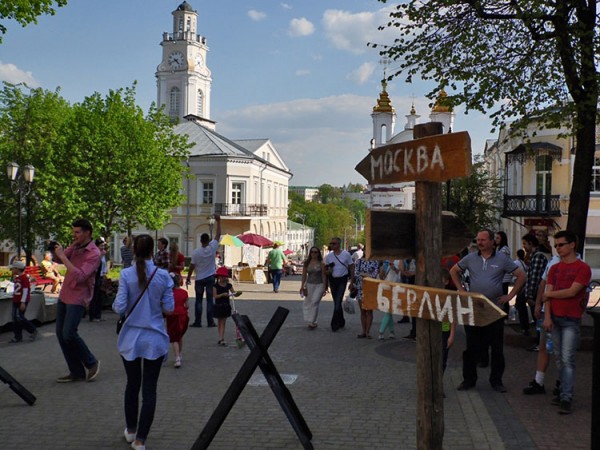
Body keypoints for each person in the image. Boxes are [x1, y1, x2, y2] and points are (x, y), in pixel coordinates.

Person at [112, 234, 174, 449]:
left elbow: (119, 307)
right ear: (152, 252)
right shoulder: (164, 276)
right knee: (149, 390)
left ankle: (130, 430)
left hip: (130, 338)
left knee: (132, 385)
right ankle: (141, 440)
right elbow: (169, 308)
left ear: (135, 251)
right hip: (154, 338)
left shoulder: (126, 274)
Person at [450, 229, 526, 393]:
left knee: (497, 347)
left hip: (494, 310)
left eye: (483, 240)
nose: (480, 242)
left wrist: (510, 295)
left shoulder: (502, 259)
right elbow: (453, 271)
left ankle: (496, 381)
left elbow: (521, 275)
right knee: (471, 347)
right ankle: (469, 380)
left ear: (492, 241)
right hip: (474, 309)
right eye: (478, 240)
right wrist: (460, 288)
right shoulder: (470, 258)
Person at [542, 230, 591, 415]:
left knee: (567, 358)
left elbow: (573, 291)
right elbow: (548, 293)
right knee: (559, 358)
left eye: (561, 244)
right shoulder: (554, 268)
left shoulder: (583, 268)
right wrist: (547, 316)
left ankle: (566, 396)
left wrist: (549, 295)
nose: (558, 248)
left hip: (571, 319)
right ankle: (562, 391)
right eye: (556, 246)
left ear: (572, 245)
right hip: (554, 317)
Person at [52, 218, 102, 383]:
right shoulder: (75, 246)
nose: (74, 235)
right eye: (73, 232)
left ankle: (91, 362)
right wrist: (57, 250)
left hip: (79, 296)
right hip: (65, 293)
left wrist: (64, 258)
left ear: (87, 232)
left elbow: (80, 276)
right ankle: (76, 371)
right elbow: (59, 259)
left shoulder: (94, 253)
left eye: (77, 232)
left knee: (69, 333)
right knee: (60, 334)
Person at [186, 215, 221, 327]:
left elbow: (192, 266)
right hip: (210, 277)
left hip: (200, 278)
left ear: (201, 241)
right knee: (210, 300)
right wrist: (219, 221)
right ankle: (210, 321)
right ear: (208, 240)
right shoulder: (212, 248)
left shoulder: (196, 252)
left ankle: (198, 322)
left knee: (199, 301)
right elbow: (218, 235)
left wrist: (188, 277)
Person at [324, 237, 354, 332]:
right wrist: (329, 271)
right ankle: (341, 320)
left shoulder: (346, 254)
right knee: (336, 301)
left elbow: (352, 267)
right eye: (331, 243)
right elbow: (326, 271)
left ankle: (334, 323)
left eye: (334, 243)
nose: (332, 245)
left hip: (342, 279)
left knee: (338, 301)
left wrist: (352, 281)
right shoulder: (329, 256)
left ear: (338, 244)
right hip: (332, 280)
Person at [520, 234, 548, 337]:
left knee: (537, 316)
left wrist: (530, 295)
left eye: (525, 244)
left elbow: (534, 278)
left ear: (531, 243)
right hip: (535, 291)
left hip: (536, 292)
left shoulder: (538, 256)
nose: (524, 247)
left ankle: (539, 340)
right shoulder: (535, 255)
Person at [8, 261, 38, 343]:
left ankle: (32, 330)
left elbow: (25, 290)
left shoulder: (24, 278)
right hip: (16, 299)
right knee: (15, 318)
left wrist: (23, 302)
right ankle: (18, 336)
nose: (12, 270)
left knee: (19, 317)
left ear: (17, 269)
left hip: (21, 301)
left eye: (13, 268)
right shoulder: (17, 278)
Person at [300, 246, 327, 329]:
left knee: (315, 302)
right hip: (309, 284)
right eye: (312, 252)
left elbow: (324, 275)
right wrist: (302, 286)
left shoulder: (321, 263)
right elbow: (304, 275)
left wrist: (325, 287)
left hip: (319, 284)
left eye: (315, 252)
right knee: (308, 302)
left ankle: (311, 322)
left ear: (318, 253)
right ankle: (313, 321)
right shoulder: (307, 263)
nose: (313, 254)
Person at [166, 272, 188, 368]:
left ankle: (177, 357)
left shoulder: (169, 293)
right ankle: (180, 353)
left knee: (174, 338)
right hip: (183, 316)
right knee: (179, 336)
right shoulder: (184, 293)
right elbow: (187, 305)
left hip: (172, 315)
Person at [354, 256, 379, 339]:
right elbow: (356, 274)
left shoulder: (375, 261)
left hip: (371, 288)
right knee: (363, 311)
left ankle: (368, 331)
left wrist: (363, 274)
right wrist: (368, 275)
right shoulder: (359, 261)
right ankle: (363, 331)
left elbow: (374, 275)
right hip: (360, 288)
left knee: (369, 311)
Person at [213, 266, 238, 346]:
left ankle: (221, 338)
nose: (222, 278)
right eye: (220, 276)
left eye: (223, 276)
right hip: (218, 305)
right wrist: (223, 294)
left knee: (223, 322)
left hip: (226, 306)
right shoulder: (215, 286)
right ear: (218, 277)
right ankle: (220, 338)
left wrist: (235, 294)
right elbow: (215, 296)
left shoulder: (229, 286)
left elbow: (234, 293)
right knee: (220, 322)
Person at [89, 238, 108, 322]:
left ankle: (98, 315)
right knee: (95, 296)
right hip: (95, 277)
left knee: (100, 296)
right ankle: (93, 315)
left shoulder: (102, 254)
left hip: (100, 276)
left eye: (103, 245)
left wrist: (105, 274)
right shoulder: (96, 254)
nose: (102, 247)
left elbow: (103, 265)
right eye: (101, 245)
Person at [379, 260, 399, 340]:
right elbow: (383, 277)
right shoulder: (385, 262)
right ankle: (392, 332)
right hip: (386, 287)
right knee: (388, 311)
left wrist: (393, 268)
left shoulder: (399, 261)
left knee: (388, 311)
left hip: (395, 288)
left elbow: (401, 273)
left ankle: (381, 331)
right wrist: (381, 271)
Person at [402, 259, 418, 340]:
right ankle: (414, 331)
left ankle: (415, 332)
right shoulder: (411, 261)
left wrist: (412, 273)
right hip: (412, 285)